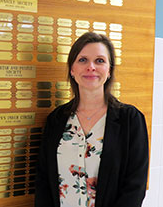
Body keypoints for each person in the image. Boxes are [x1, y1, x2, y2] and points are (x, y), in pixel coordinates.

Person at [35, 32, 149, 207]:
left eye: (100, 61)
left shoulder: (130, 119)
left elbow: (135, 186)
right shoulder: (56, 120)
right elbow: (44, 181)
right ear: (72, 69)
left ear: (109, 70)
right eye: (82, 60)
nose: (91, 67)